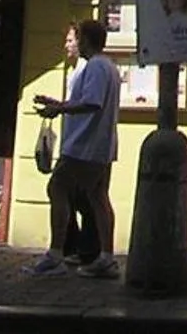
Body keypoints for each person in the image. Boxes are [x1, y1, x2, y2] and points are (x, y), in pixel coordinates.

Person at [25, 20, 120, 280]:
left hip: (84, 145)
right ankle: (106, 258)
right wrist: (58, 104)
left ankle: (56, 253)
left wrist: (59, 109)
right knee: (98, 197)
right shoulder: (107, 67)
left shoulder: (96, 67)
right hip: (100, 146)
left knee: (57, 188)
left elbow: (92, 103)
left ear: (86, 40)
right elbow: (87, 101)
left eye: (76, 38)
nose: (74, 43)